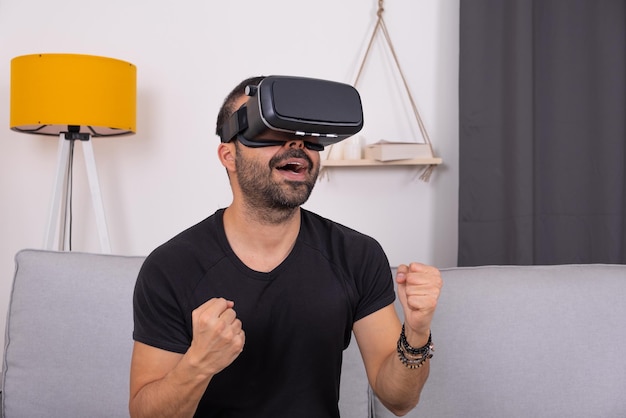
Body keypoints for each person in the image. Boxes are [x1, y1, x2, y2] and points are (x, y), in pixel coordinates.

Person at [129, 75, 442, 418]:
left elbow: (399, 400)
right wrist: (198, 364)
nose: (297, 145)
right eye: (272, 132)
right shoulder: (172, 267)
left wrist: (416, 333)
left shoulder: (356, 255)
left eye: (308, 136)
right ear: (228, 156)